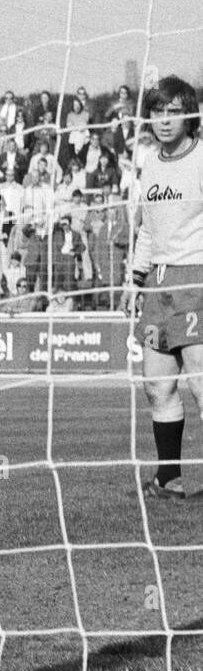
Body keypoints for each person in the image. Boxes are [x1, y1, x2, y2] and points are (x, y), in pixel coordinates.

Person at [125, 75, 203, 498]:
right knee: (157, 386)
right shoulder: (150, 162)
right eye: (158, 111)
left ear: (190, 115)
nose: (165, 120)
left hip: (197, 277)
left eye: (174, 111)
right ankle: (168, 479)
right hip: (157, 282)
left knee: (201, 385)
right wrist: (135, 280)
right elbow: (147, 229)